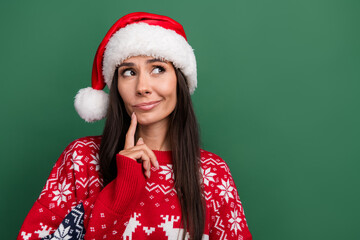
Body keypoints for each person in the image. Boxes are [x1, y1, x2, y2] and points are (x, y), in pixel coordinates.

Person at [17, 12, 252, 240]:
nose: (142, 87)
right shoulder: (82, 160)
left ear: (180, 80)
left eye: (158, 69)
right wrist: (120, 194)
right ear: (116, 86)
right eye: (129, 72)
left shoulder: (213, 175)